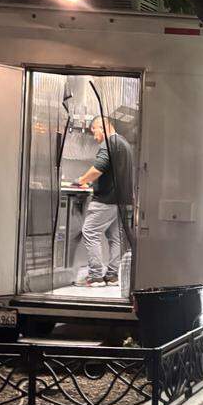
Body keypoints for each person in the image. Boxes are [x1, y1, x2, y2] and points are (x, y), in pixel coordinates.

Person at [75, 116, 134, 287]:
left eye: (94, 132)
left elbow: (97, 169)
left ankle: (95, 276)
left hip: (106, 199)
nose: (94, 137)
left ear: (102, 127)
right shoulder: (124, 144)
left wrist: (81, 180)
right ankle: (112, 276)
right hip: (121, 201)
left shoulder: (109, 144)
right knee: (114, 237)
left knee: (89, 231)